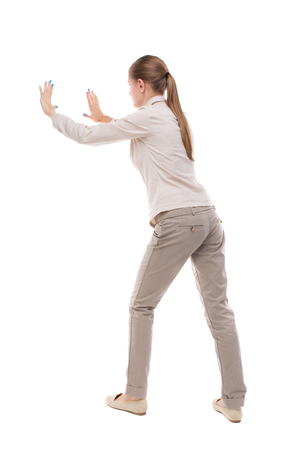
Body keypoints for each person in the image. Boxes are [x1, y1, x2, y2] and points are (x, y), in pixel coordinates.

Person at [39, 55, 247, 422]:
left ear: (140, 85)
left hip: (181, 222)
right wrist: (106, 119)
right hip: (208, 218)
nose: (128, 91)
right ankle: (233, 402)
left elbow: (88, 137)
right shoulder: (171, 114)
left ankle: (135, 395)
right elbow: (128, 130)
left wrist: (51, 114)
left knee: (141, 305)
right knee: (220, 310)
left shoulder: (150, 115)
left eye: (128, 85)